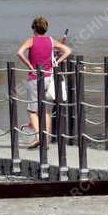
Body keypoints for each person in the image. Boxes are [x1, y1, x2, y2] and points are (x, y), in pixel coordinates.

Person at [16, 16, 72, 149]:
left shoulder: (31, 40)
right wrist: (56, 63)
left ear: (34, 28)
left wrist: (29, 65)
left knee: (32, 110)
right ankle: (46, 139)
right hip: (49, 77)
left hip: (35, 77)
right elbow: (68, 51)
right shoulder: (51, 41)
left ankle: (38, 137)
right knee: (46, 110)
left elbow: (19, 52)